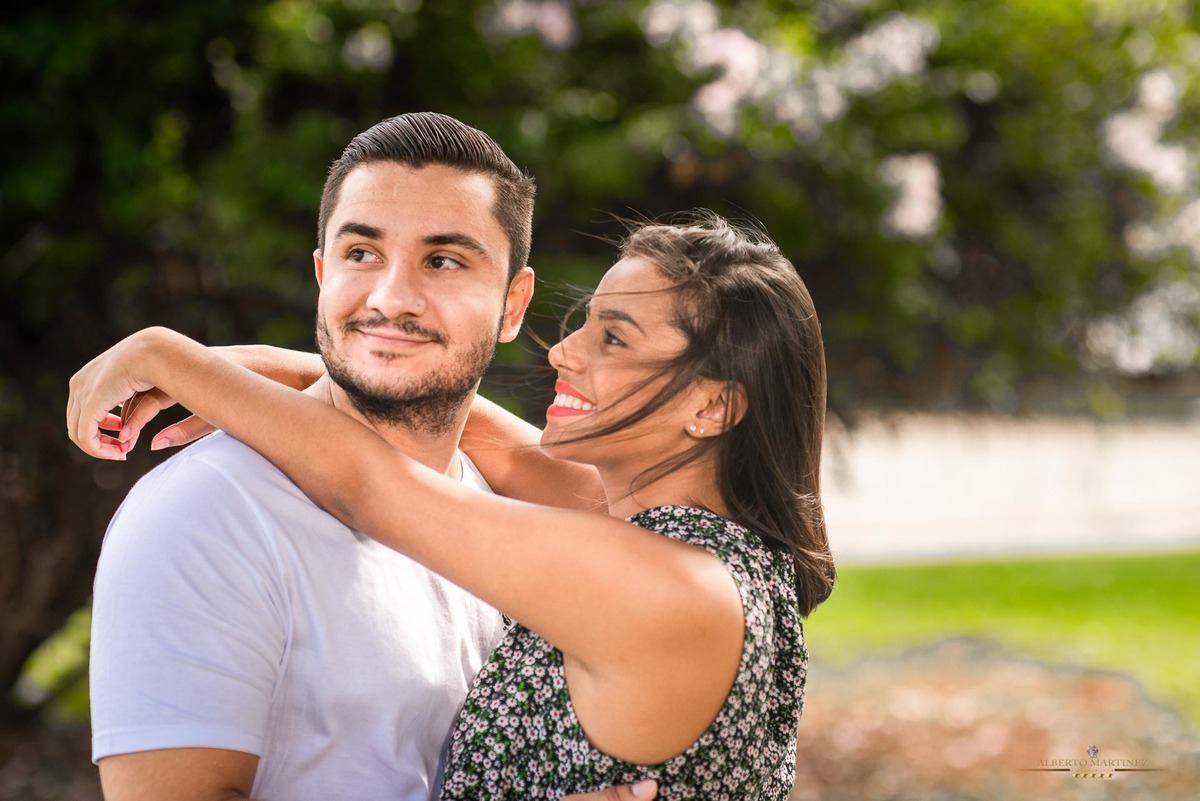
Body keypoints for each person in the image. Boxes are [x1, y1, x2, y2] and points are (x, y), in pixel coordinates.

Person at [70, 208, 835, 798]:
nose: (563, 350)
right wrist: (312, 365)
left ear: (712, 406)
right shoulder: (707, 548)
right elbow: (481, 434)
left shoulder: (656, 583)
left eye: (615, 339)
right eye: (585, 322)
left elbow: (371, 486)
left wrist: (160, 352)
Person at [75, 110, 651, 801]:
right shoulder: (206, 511)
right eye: (361, 253)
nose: (391, 298)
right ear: (323, 274)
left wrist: (222, 365)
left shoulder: (504, 513)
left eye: (443, 261)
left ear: (513, 304)